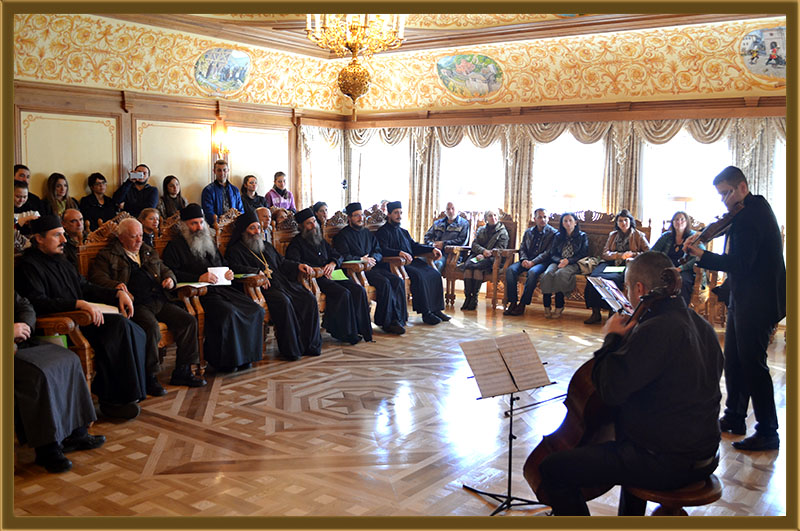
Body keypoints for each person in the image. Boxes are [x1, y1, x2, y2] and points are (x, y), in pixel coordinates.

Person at [533, 251, 723, 516]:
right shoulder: (702, 326)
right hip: (706, 453)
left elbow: (609, 390)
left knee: (552, 469)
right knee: (628, 436)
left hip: (666, 461)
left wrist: (611, 339)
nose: (627, 294)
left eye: (627, 288)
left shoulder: (655, 330)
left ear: (639, 289)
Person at [684, 165, 786, 451]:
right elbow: (728, 229)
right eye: (720, 195)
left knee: (753, 365)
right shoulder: (751, 207)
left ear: (743, 187)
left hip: (759, 300)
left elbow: (739, 263)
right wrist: (701, 235)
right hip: (745, 297)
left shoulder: (752, 216)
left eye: (727, 193)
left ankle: (768, 431)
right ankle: (734, 417)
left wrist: (702, 254)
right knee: (735, 360)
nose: (724, 200)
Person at [15, 215, 148, 420]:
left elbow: (85, 287)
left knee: (134, 328)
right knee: (119, 327)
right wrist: (78, 304)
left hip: (82, 317)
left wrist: (116, 293)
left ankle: (130, 394)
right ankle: (113, 399)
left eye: (63, 235)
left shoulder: (62, 259)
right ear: (39, 239)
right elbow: (38, 302)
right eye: (57, 235)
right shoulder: (28, 266)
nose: (64, 240)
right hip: (63, 325)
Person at [89, 218, 207, 393]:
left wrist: (170, 279)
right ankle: (150, 376)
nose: (139, 240)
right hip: (135, 304)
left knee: (188, 321)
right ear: (121, 238)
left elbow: (165, 269)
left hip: (159, 299)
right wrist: (116, 286)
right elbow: (97, 278)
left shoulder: (147, 251)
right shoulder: (108, 255)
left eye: (140, 235)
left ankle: (183, 370)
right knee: (151, 327)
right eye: (133, 236)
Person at [162, 204, 264, 372]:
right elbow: (172, 273)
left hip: (222, 289)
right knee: (229, 313)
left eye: (201, 222)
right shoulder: (175, 247)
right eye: (194, 223)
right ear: (184, 225)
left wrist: (228, 272)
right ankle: (226, 362)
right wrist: (198, 278)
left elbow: (223, 263)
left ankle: (245, 358)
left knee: (255, 309)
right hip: (200, 294)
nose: (199, 227)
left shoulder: (208, 242)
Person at [14, 292, 105, 473]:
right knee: (38, 374)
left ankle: (77, 433)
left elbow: (24, 305)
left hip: (20, 342)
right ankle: (47, 449)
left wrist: (24, 326)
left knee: (69, 359)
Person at [226, 210, 322, 360]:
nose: (257, 231)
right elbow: (234, 268)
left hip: (282, 283)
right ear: (243, 231)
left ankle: (310, 345)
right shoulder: (235, 250)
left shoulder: (266, 246)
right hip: (261, 287)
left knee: (308, 298)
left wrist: (298, 266)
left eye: (258, 227)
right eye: (252, 228)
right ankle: (291, 349)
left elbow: (282, 262)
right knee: (284, 301)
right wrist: (256, 272)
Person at [286, 208, 373, 344]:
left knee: (358, 290)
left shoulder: (320, 239)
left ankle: (362, 329)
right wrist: (316, 269)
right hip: (316, 279)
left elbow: (337, 254)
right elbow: (294, 263)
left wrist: (332, 263)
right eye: (309, 223)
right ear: (302, 226)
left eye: (314, 221)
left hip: (333, 274)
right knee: (343, 293)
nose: (313, 225)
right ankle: (345, 333)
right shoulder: (296, 243)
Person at [333, 202, 407, 335]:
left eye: (361, 215)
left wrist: (373, 259)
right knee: (384, 283)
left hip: (372, 267)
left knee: (397, 280)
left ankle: (398, 319)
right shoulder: (342, 236)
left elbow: (378, 250)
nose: (360, 218)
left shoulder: (367, 232)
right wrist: (361, 259)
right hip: (356, 270)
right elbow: (343, 256)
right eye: (356, 216)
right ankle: (386, 322)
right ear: (349, 218)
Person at [376, 201, 450, 325]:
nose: (399, 216)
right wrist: (399, 252)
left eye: (400, 213)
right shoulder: (382, 232)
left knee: (434, 274)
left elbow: (414, 246)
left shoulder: (403, 232)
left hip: (411, 262)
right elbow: (382, 249)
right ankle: (426, 313)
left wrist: (431, 249)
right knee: (419, 276)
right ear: (389, 214)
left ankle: (436, 310)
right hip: (396, 265)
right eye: (396, 213)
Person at [584, 209, 650, 324]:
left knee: (612, 280)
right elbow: (605, 254)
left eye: (625, 220)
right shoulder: (613, 235)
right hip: (611, 262)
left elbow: (648, 253)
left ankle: (613, 311)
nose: (623, 223)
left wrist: (632, 255)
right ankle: (595, 313)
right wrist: (619, 255)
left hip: (628, 264)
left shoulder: (638, 235)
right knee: (594, 278)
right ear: (617, 223)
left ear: (630, 221)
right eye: (620, 221)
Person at [504, 208, 558, 316]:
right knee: (510, 270)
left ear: (548, 219)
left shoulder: (553, 233)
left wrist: (533, 262)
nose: (542, 219)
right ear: (535, 219)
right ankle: (513, 302)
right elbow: (522, 248)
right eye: (540, 217)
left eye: (545, 217)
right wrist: (524, 259)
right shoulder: (528, 232)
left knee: (532, 272)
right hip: (527, 260)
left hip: (542, 262)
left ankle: (522, 304)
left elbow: (548, 253)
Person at [539, 212, 589, 319]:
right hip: (558, 261)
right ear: (562, 223)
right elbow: (552, 253)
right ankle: (546, 305)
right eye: (565, 221)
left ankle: (559, 305)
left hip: (574, 263)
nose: (568, 223)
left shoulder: (582, 236)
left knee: (560, 274)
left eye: (570, 220)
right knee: (547, 274)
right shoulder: (558, 236)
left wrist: (568, 261)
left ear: (575, 222)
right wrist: (560, 260)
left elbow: (583, 254)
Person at [458, 210, 509, 311]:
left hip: (493, 259)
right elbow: (474, 244)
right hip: (478, 255)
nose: (493, 218)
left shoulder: (503, 232)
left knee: (477, 269)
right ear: (486, 219)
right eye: (490, 216)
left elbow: (500, 249)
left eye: (495, 215)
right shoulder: (481, 230)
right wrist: (482, 251)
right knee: (468, 267)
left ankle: (474, 298)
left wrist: (486, 254)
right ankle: (468, 297)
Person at [651, 211, 703, 305]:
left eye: (682, 219)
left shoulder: (694, 237)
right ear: (673, 222)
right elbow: (652, 252)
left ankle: (681, 309)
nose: (679, 222)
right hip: (667, 269)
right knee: (653, 278)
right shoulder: (666, 236)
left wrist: (681, 268)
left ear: (687, 222)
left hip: (687, 270)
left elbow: (700, 257)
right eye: (676, 219)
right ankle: (659, 309)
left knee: (681, 281)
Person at [423, 201, 470, 272]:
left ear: (457, 210)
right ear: (445, 211)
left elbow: (462, 241)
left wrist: (444, 244)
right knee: (418, 261)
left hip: (450, 254)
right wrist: (432, 244)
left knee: (437, 264)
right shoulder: (437, 223)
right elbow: (427, 237)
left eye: (453, 208)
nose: (450, 211)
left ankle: (433, 279)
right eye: (448, 209)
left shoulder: (464, 224)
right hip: (434, 251)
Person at [201, 160, 244, 227]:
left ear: (228, 171)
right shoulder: (208, 190)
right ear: (214, 171)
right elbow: (208, 212)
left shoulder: (235, 190)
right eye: (219, 170)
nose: (222, 173)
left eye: (224, 170)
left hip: (235, 226)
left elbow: (241, 210)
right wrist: (221, 224)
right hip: (217, 227)